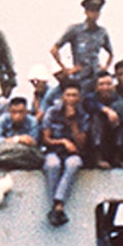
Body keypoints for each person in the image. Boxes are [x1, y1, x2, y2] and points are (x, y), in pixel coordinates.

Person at [39, 82, 91, 226]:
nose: (71, 99)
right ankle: (57, 205)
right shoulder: (52, 112)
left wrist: (73, 122)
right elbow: (46, 139)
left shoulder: (83, 116)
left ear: (79, 98)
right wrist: (62, 142)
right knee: (52, 165)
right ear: (63, 97)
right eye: (68, 95)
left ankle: (57, 204)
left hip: (72, 154)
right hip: (54, 150)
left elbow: (81, 144)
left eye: (74, 95)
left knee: (74, 164)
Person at [49, 0, 111, 91]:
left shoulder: (102, 32)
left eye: (97, 11)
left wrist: (105, 67)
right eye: (92, 11)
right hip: (80, 78)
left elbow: (110, 53)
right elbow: (54, 49)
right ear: (86, 12)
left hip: (96, 78)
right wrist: (65, 69)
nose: (94, 14)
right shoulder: (75, 30)